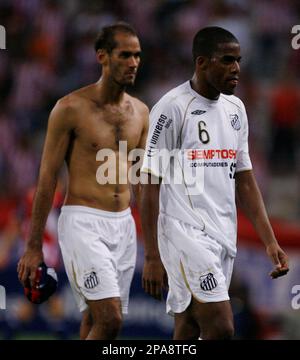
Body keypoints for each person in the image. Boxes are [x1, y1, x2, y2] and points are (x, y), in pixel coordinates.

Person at [140, 26, 289, 340]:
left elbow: (245, 180)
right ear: (202, 63)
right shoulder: (172, 108)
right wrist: (152, 255)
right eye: (226, 60)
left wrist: (270, 240)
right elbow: (149, 183)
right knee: (221, 325)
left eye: (238, 60)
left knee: (188, 327)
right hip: (184, 233)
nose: (236, 68)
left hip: (223, 234)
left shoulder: (236, 109)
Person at [17, 22, 149, 340]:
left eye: (137, 55)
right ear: (102, 56)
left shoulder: (142, 113)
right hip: (83, 223)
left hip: (124, 225)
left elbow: (141, 184)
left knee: (94, 319)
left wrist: (155, 250)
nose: (133, 62)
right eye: (125, 55)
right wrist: (34, 246)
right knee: (110, 318)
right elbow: (47, 178)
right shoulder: (70, 109)